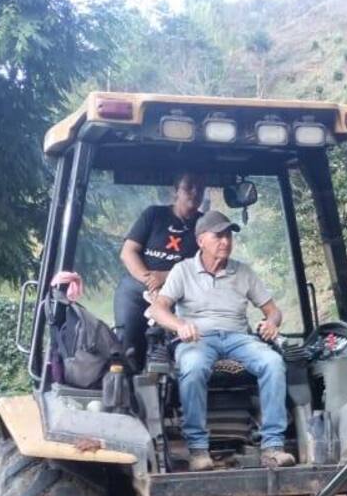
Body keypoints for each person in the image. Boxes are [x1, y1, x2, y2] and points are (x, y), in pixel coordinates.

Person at [148, 210, 296, 472]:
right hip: (198, 338)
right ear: (201, 240)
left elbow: (273, 311)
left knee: (273, 363)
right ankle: (198, 450)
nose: (225, 241)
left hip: (239, 338)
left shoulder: (243, 272)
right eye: (218, 236)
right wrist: (180, 325)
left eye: (228, 235)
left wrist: (272, 323)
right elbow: (158, 310)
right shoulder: (183, 271)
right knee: (193, 366)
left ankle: (273, 447)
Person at [116, 172, 206, 369]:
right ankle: (127, 376)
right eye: (189, 187)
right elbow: (128, 252)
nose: (195, 192)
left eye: (200, 188)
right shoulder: (154, 215)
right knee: (126, 343)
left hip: (182, 290)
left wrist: (165, 277)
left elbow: (207, 264)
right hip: (139, 285)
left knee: (185, 342)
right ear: (176, 191)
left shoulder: (205, 224)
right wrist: (150, 281)